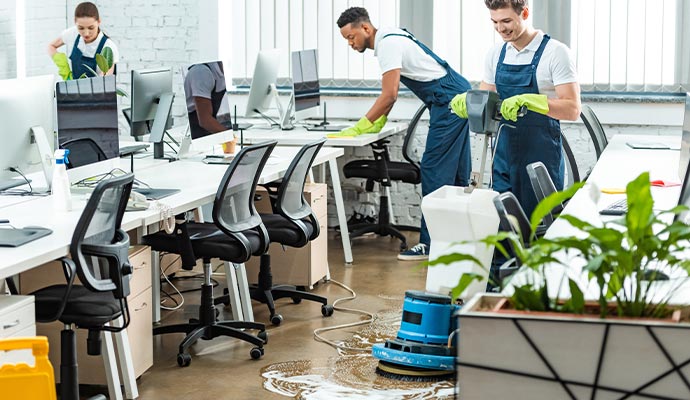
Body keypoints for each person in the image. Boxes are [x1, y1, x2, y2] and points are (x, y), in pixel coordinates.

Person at [337, 7, 473, 261]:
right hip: (455, 95)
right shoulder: (392, 36)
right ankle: (457, 240)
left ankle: (430, 244)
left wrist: (362, 125)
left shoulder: (387, 46)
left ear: (366, 29)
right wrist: (379, 120)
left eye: (351, 36)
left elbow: (390, 94)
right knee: (456, 172)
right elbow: (391, 95)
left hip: (449, 101)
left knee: (434, 170)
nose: (350, 43)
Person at [451, 0, 581, 219]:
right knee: (503, 226)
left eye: (506, 21)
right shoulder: (496, 54)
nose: (500, 29)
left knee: (539, 226)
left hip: (540, 157)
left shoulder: (556, 53)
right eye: (494, 22)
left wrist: (533, 101)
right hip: (502, 155)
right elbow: (486, 101)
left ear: (525, 13)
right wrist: (470, 101)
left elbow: (572, 109)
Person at [47, 2, 119, 80]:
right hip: (75, 89)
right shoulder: (72, 33)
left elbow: (105, 82)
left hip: (98, 91)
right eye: (81, 28)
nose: (86, 33)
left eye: (91, 28)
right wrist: (64, 68)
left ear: (98, 22)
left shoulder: (108, 47)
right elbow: (51, 46)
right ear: (75, 22)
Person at [184, 61, 232, 138]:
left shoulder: (223, 72)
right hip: (195, 129)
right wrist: (230, 137)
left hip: (209, 124)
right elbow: (205, 121)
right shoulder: (201, 73)